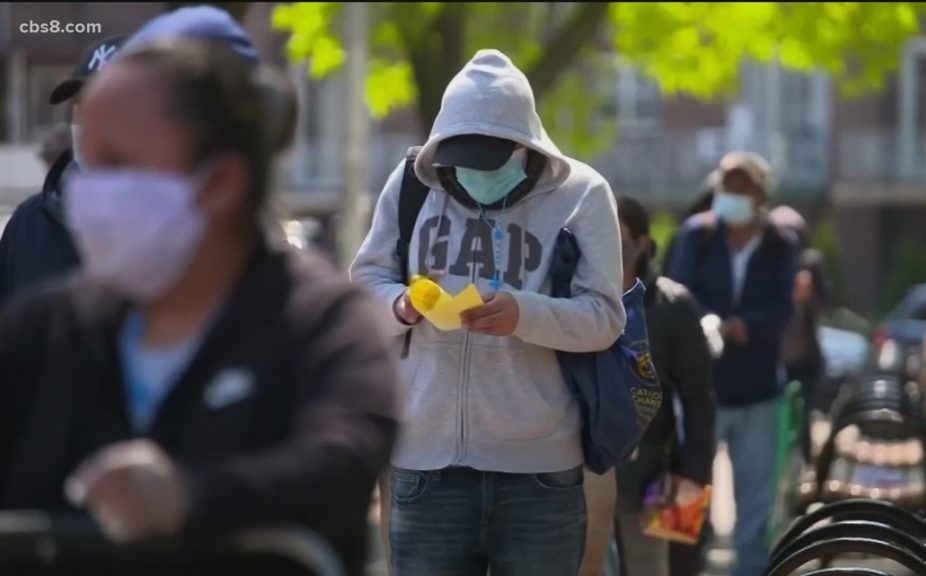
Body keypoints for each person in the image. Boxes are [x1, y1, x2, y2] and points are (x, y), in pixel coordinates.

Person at [0, 37, 397, 576]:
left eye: (119, 165)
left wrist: (192, 496)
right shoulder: (45, 328)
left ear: (221, 182)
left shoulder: (323, 324)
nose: (91, 190)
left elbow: (342, 463)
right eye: (89, 158)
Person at [350, 49, 626, 576]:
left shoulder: (583, 195)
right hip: (425, 468)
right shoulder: (410, 185)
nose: (472, 171)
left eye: (488, 157)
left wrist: (524, 314)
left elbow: (604, 317)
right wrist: (403, 305)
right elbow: (364, 286)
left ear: (525, 146)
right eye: (461, 156)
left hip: (539, 477)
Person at [665, 151, 798, 576]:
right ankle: (678, 565)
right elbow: (679, 294)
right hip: (700, 388)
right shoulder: (697, 235)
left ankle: (752, 568)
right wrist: (711, 321)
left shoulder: (780, 243)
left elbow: (783, 308)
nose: (732, 193)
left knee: (756, 499)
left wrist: (746, 326)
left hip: (758, 390)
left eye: (742, 186)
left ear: (760, 193)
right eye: (726, 185)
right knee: (685, 485)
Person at [609, 198, 715, 576]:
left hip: (651, 476)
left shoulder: (672, 305)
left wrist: (693, 476)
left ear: (641, 244)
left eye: (617, 234)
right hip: (586, 475)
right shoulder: (576, 298)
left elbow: (698, 400)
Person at [0, 35, 125, 307]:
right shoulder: (29, 225)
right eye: (83, 106)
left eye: (117, 107)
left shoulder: (190, 232)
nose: (95, 123)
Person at [770, 205, 831, 459]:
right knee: (776, 420)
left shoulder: (810, 264)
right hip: (774, 358)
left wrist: (808, 297)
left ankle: (805, 465)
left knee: (804, 416)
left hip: (805, 359)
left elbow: (825, 303)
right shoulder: (766, 265)